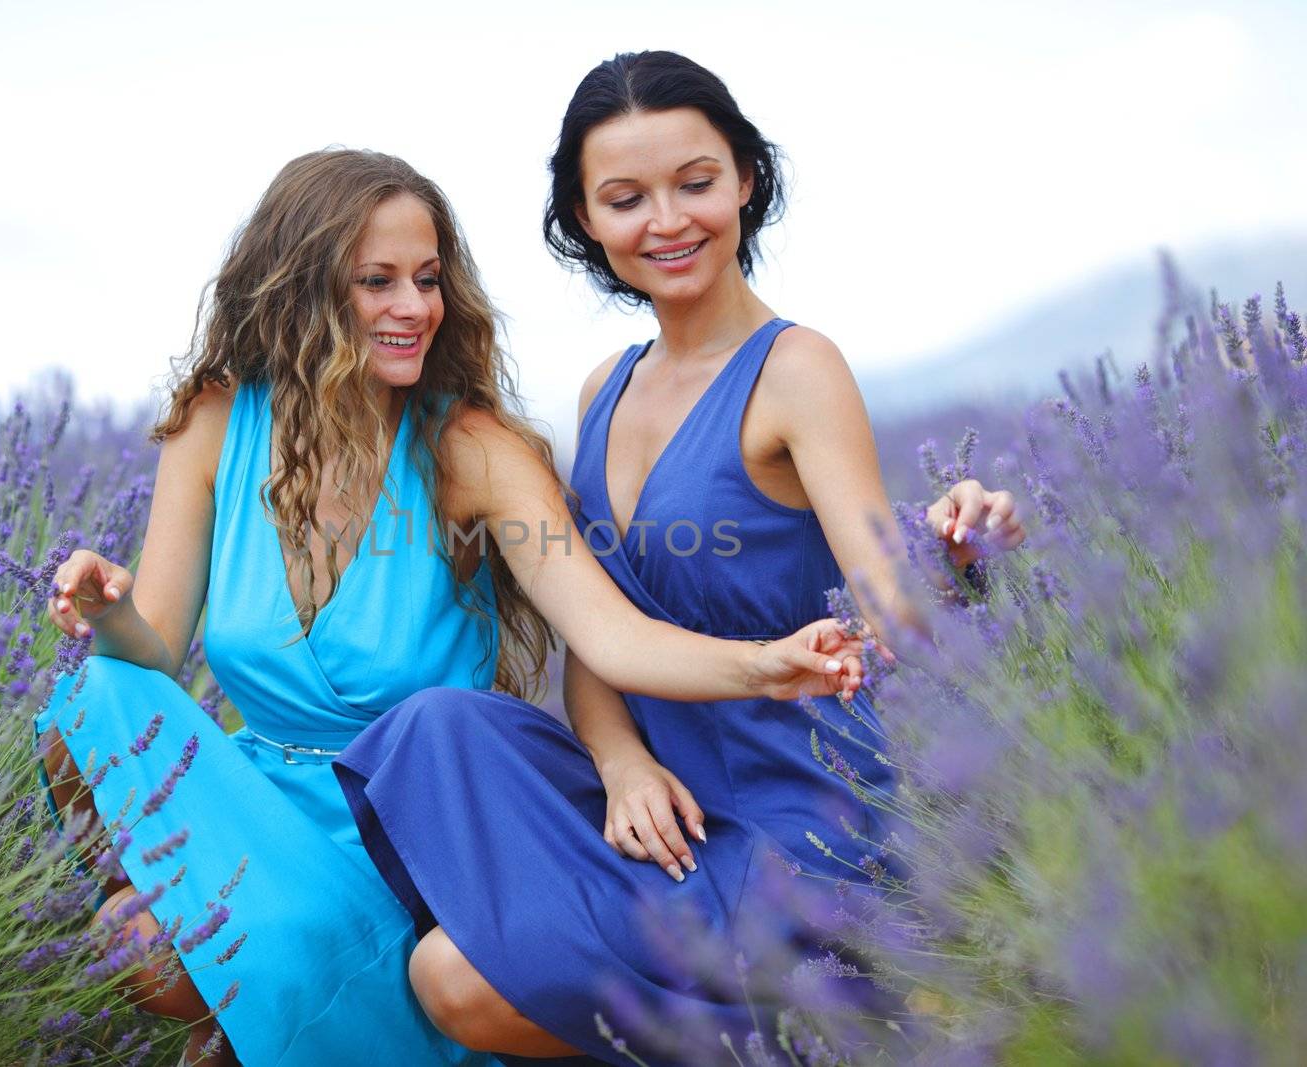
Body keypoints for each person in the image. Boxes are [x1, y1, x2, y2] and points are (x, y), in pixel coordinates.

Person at [36, 148, 874, 1066]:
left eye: (428, 280)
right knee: (117, 870)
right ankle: (266, 1024)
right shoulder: (215, 424)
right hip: (260, 791)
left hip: (401, 827)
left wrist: (764, 661)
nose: (415, 308)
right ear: (299, 289)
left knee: (198, 963)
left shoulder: (472, 452)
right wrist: (106, 607)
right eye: (378, 282)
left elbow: (610, 635)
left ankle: (295, 1020)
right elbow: (152, 650)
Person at [333, 51, 1026, 1065]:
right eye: (624, 198)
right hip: (665, 812)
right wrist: (618, 766)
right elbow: (601, 633)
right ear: (583, 221)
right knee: (440, 742)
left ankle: (824, 1019)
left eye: (695, 183)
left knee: (460, 979)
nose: (666, 220)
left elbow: (889, 599)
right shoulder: (603, 389)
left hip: (799, 820)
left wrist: (958, 553)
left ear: (745, 180)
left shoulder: (796, 369)